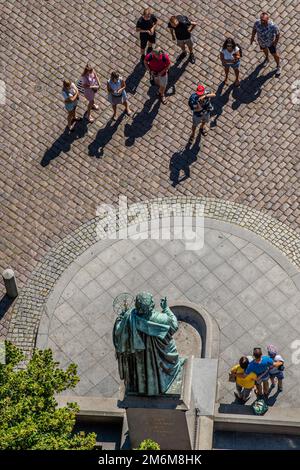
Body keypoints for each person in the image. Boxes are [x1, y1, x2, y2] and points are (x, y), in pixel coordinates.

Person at [113, 293, 185, 395]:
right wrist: (166, 308)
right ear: (150, 306)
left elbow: (118, 332)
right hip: (159, 355)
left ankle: (144, 387)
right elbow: (174, 325)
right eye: (152, 301)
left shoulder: (130, 317)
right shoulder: (159, 318)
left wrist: (121, 318)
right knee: (166, 360)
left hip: (141, 357)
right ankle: (162, 382)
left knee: (144, 371)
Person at [250, 12, 281, 76]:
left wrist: (275, 43)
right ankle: (267, 58)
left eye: (263, 20)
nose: (261, 21)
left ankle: (278, 66)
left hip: (270, 43)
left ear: (267, 19)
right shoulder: (257, 23)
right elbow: (254, 30)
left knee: (274, 54)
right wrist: (252, 38)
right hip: (261, 42)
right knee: (264, 50)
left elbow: (278, 34)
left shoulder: (273, 26)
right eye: (261, 19)